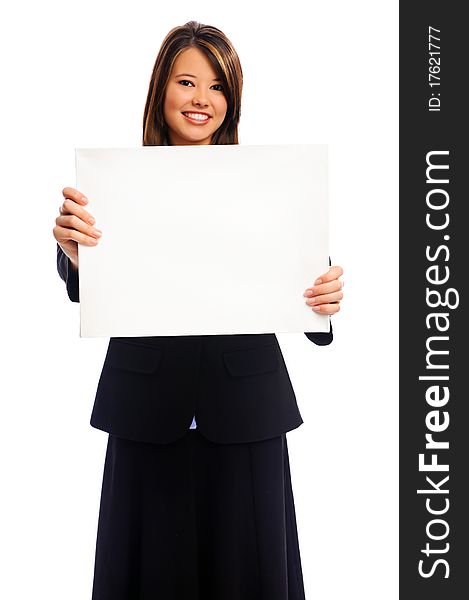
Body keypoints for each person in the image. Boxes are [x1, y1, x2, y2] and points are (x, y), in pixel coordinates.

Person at [53, 21, 343, 600]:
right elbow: (86, 286)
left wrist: (325, 299)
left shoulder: (268, 187)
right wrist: (75, 256)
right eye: (186, 81)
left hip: (245, 415)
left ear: (231, 100)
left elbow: (306, 297)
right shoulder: (111, 185)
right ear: (161, 89)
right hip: (146, 411)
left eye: (217, 86)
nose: (201, 99)